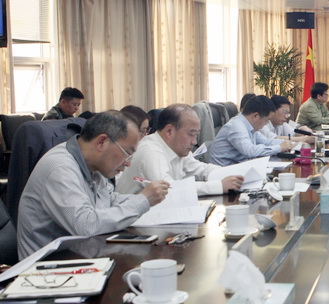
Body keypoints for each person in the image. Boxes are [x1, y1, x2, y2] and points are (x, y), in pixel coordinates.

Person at [16, 111, 169, 258]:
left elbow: (109, 200)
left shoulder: (93, 165)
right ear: (102, 142)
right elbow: (86, 225)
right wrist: (143, 200)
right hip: (47, 265)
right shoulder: (60, 167)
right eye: (127, 153)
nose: (128, 163)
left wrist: (147, 200)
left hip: (80, 254)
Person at [116, 104, 244, 195]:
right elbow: (168, 190)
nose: (194, 142)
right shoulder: (151, 150)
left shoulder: (177, 148)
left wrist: (234, 174)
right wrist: (219, 186)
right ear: (170, 131)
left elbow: (202, 169)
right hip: (134, 221)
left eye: (196, 135)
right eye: (191, 134)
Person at [209, 96, 293, 166]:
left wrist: (287, 144)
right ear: (256, 116)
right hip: (223, 172)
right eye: (266, 120)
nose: (266, 124)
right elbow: (249, 151)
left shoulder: (250, 126)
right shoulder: (236, 126)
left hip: (238, 167)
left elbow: (265, 141)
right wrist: (279, 147)